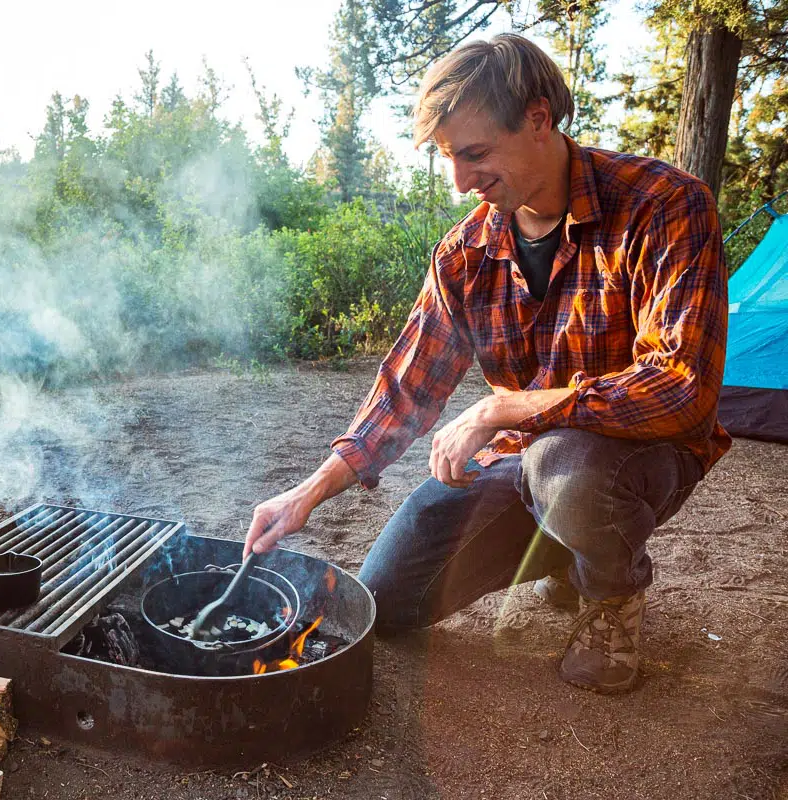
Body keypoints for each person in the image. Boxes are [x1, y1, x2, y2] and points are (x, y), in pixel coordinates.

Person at [243, 33, 730, 694]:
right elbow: (407, 387)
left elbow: (681, 389)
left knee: (563, 463)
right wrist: (305, 495)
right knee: (386, 600)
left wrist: (506, 406)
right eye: (449, 158)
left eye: (473, 154)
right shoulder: (466, 251)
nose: (460, 181)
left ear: (537, 119)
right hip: (522, 464)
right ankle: (566, 549)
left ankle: (610, 597)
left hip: (638, 457)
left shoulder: (664, 205)